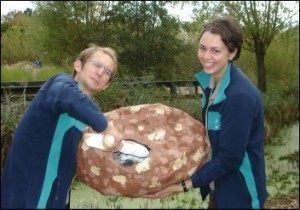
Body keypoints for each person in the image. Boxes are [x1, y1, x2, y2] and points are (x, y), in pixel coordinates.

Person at [143, 16, 268, 209]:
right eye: (202, 48)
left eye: (215, 50)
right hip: (218, 187)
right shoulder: (212, 85)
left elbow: (230, 158)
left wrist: (184, 185)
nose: (206, 56)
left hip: (240, 194)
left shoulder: (239, 96)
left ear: (232, 52)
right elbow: (210, 138)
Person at [1, 43, 123, 209]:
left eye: (107, 72)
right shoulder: (58, 85)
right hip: (26, 197)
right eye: (96, 64)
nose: (100, 72)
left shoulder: (84, 119)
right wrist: (107, 127)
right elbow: (67, 97)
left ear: (106, 85)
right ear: (78, 65)